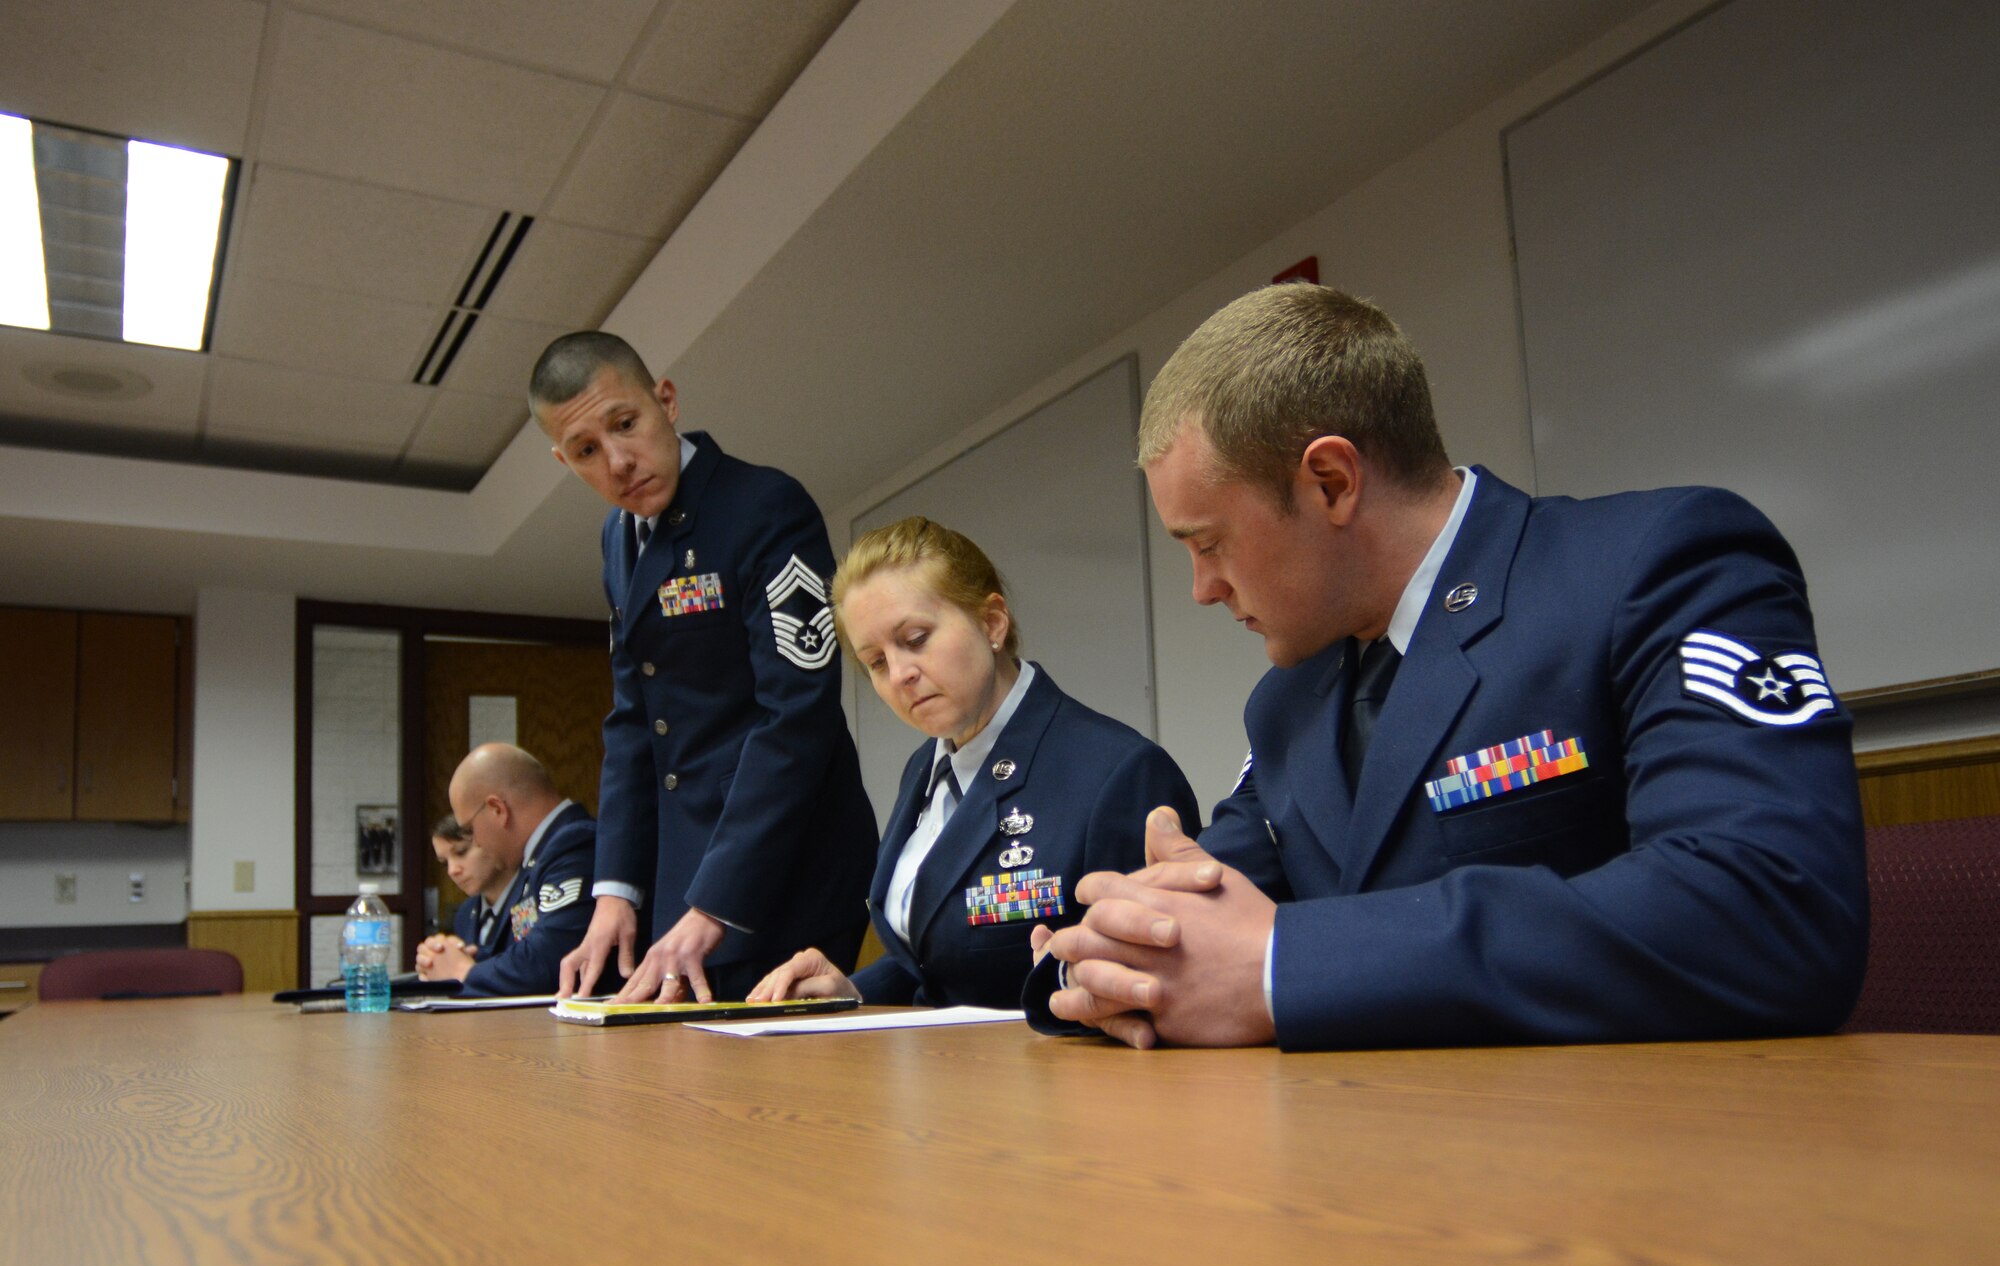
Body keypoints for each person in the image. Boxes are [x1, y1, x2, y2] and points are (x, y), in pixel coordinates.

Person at [1032, 283, 1867, 1050]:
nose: (1202, 589)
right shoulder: (1287, 702)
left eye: (1209, 543)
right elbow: (1195, 927)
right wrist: (1094, 964)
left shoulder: (1653, 566)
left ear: (1330, 482)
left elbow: (1769, 905)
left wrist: (1287, 966)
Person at [531, 332, 875, 1004]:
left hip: (783, 861)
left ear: (667, 400)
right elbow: (634, 721)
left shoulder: (764, 506)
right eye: (586, 452)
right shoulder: (617, 539)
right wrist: (614, 892)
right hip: (685, 872)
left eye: (626, 424)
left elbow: (797, 715)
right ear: (563, 460)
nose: (619, 462)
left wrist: (715, 904)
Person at [748, 517, 1201, 1010]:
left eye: (916, 638)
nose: (900, 674)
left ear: (992, 623)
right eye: (876, 662)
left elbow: (1152, 982)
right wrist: (854, 991)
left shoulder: (1120, 773)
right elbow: (931, 962)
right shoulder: (925, 767)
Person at [419, 744, 597, 997]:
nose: (477, 841)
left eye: (470, 829)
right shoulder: (542, 855)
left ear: (497, 809)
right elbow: (521, 949)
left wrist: (462, 972)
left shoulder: (573, 844)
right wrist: (448, 960)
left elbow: (548, 961)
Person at [416, 814, 515, 982]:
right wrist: (435, 962)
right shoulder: (465, 914)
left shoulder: (532, 897)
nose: (452, 870)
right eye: (444, 863)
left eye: (461, 852)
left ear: (491, 841)